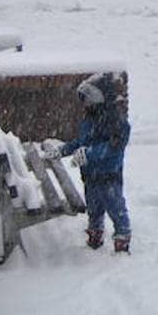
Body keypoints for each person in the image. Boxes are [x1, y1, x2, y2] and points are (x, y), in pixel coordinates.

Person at [44, 73, 131, 253]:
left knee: (115, 207)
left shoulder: (116, 120)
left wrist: (90, 153)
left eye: (87, 100)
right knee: (94, 208)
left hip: (109, 175)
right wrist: (63, 150)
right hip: (90, 175)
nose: (84, 105)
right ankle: (95, 233)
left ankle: (122, 238)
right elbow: (82, 141)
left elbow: (114, 146)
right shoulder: (91, 117)